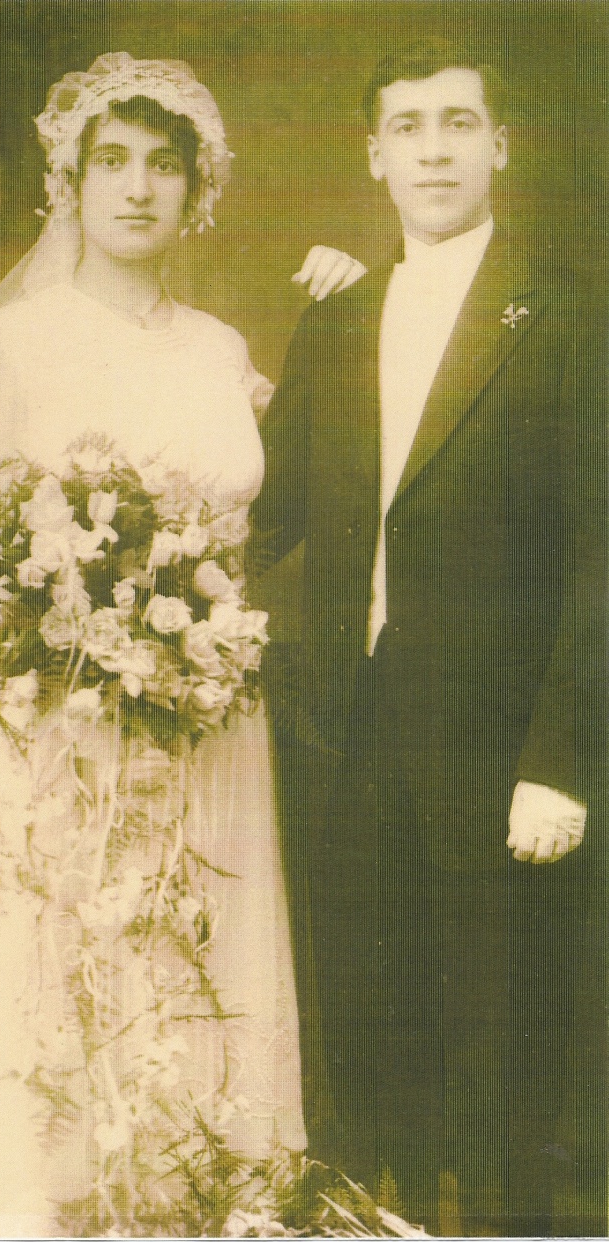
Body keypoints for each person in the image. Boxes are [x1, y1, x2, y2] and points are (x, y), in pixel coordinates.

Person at [0, 54, 359, 1239]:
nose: (136, 189)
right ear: (66, 179)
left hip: (206, 727)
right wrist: (78, 650)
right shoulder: (17, 342)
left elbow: (302, 496)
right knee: (47, 972)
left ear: (197, 188)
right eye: (109, 161)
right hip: (48, 728)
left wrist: (352, 308)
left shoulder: (220, 349)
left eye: (163, 165)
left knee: (188, 963)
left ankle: (184, 1191)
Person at [251, 38, 604, 1238]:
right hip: (345, 740)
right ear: (374, 156)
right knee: (373, 1049)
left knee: (503, 1067)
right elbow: (269, 510)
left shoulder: (570, 304)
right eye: (408, 127)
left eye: (458, 123)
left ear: (500, 145)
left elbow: (600, 556)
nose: (434, 149)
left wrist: (559, 757)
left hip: (499, 752)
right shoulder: (339, 319)